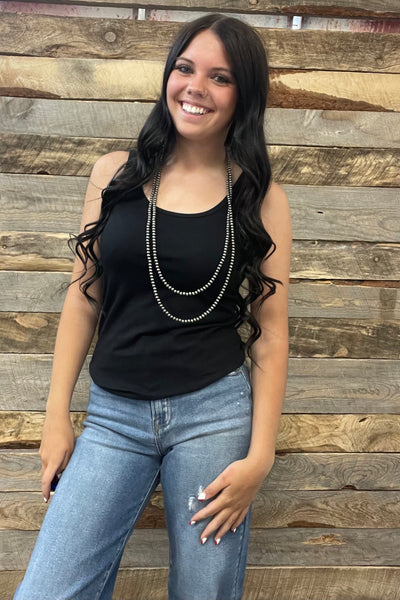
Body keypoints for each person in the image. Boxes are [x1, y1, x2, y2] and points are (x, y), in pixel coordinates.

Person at [13, 12, 291, 600]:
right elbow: (82, 299)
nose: (196, 87)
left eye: (220, 77)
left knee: (203, 590)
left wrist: (260, 456)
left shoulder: (260, 197)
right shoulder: (113, 175)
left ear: (243, 95)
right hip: (113, 415)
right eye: (185, 68)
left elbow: (270, 334)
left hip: (214, 416)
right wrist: (56, 415)